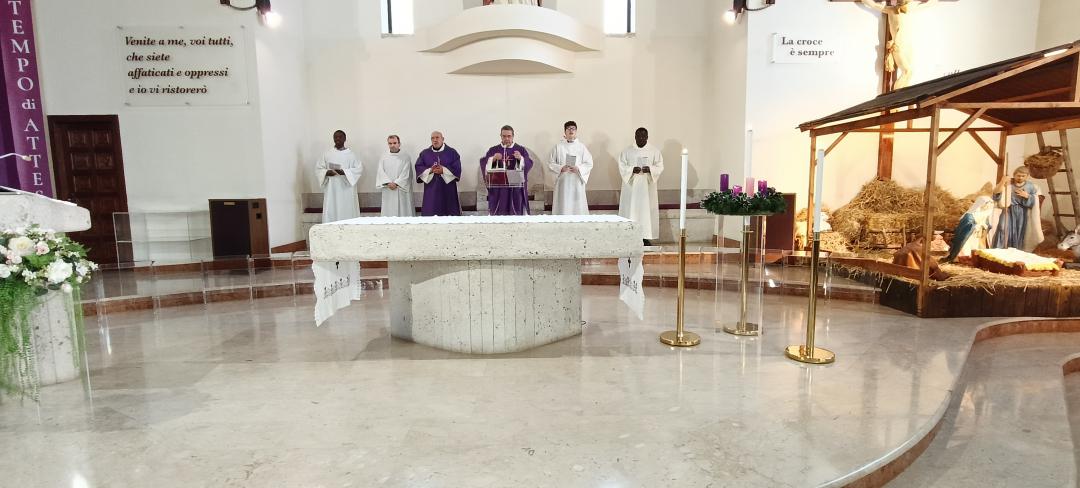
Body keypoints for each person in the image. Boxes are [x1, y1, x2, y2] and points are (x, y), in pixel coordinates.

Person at [859, 0, 938, 89]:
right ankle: (895, 96)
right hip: (898, 46)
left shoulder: (908, 8)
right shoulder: (890, 9)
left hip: (907, 46)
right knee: (907, 71)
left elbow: (925, 5)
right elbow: (873, 5)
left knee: (909, 75)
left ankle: (906, 96)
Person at [618, 127, 664, 245]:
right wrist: (632, 170)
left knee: (645, 212)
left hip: (647, 188)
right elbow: (622, 166)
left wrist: (650, 169)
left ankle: (645, 236)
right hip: (631, 188)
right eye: (639, 136)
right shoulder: (627, 151)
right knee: (631, 210)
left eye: (644, 136)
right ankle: (630, 236)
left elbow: (660, 166)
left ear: (647, 137)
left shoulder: (654, 151)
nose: (641, 138)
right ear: (635, 137)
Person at [482, 125, 533, 215]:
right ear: (500, 136)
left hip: (515, 186)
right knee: (500, 213)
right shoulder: (493, 150)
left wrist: (520, 159)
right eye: (504, 136)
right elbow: (484, 165)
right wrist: (493, 159)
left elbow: (529, 163)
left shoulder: (520, 149)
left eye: (509, 136)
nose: (506, 139)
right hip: (499, 188)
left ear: (513, 136)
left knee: (516, 212)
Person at [992, 166, 1043, 251]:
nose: (1020, 178)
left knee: (1018, 231)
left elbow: (1036, 201)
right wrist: (1002, 181)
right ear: (1014, 175)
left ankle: (1014, 251)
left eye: (1023, 176)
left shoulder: (1030, 186)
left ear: (1027, 176)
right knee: (1002, 227)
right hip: (1008, 209)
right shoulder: (1008, 183)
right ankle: (999, 249)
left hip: (1022, 212)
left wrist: (1027, 196)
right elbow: (996, 195)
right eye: (1018, 175)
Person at [315, 129, 362, 223]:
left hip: (346, 189)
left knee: (347, 211)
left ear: (345, 139)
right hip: (332, 189)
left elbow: (358, 169)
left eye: (340, 137)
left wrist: (344, 172)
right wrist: (327, 172)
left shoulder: (351, 155)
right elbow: (319, 169)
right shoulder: (327, 154)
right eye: (335, 137)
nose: (337, 139)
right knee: (332, 210)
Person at [548, 120, 593, 215]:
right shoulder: (558, 147)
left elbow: (589, 163)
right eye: (568, 129)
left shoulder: (581, 147)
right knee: (563, 206)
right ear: (565, 132)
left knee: (577, 207)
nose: (571, 130)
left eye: (573, 128)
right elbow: (551, 163)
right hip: (563, 182)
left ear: (576, 131)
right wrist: (561, 168)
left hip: (576, 181)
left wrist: (579, 168)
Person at [415, 131, 462, 216]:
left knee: (449, 212)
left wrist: (443, 170)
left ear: (442, 139)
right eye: (432, 138)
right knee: (431, 212)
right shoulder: (425, 153)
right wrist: (430, 170)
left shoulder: (452, 152)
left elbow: (457, 168)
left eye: (437, 137)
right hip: (431, 189)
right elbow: (419, 167)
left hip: (448, 189)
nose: (435, 140)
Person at [944, 196, 993, 262]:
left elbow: (984, 224)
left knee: (974, 246)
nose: (988, 206)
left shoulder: (982, 213)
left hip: (975, 235)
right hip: (968, 235)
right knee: (964, 245)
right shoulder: (970, 215)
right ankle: (959, 257)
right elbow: (963, 230)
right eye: (987, 204)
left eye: (989, 205)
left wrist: (982, 226)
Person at [376, 135, 415, 217]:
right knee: (389, 212)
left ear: (399, 144)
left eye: (394, 143)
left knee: (403, 211)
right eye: (390, 143)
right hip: (388, 189)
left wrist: (397, 183)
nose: (392, 145)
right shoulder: (384, 156)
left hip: (401, 189)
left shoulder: (405, 157)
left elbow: (407, 173)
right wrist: (388, 183)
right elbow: (380, 172)